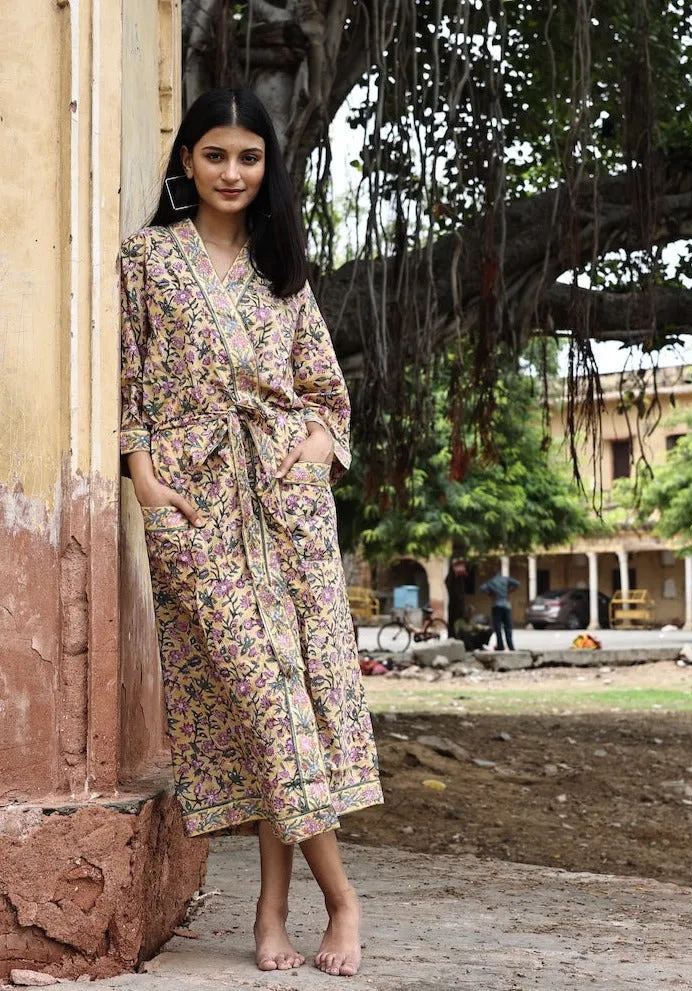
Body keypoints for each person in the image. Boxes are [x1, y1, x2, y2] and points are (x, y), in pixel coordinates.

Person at [119, 88, 383, 977]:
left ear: (268, 168)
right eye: (216, 155)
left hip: (287, 510)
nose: (233, 173)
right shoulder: (149, 261)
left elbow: (325, 391)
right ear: (185, 162)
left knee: (291, 705)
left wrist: (317, 444)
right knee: (263, 703)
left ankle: (271, 907)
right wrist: (147, 481)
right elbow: (126, 382)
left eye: (250, 157)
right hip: (195, 508)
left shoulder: (284, 274)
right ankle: (344, 900)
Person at [480, 573, 520, 651]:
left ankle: (500, 645)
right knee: (508, 626)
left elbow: (482, 588)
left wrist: (490, 594)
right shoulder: (505, 579)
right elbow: (517, 583)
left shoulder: (491, 581)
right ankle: (510, 645)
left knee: (498, 627)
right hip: (506, 605)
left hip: (496, 604)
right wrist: (509, 591)